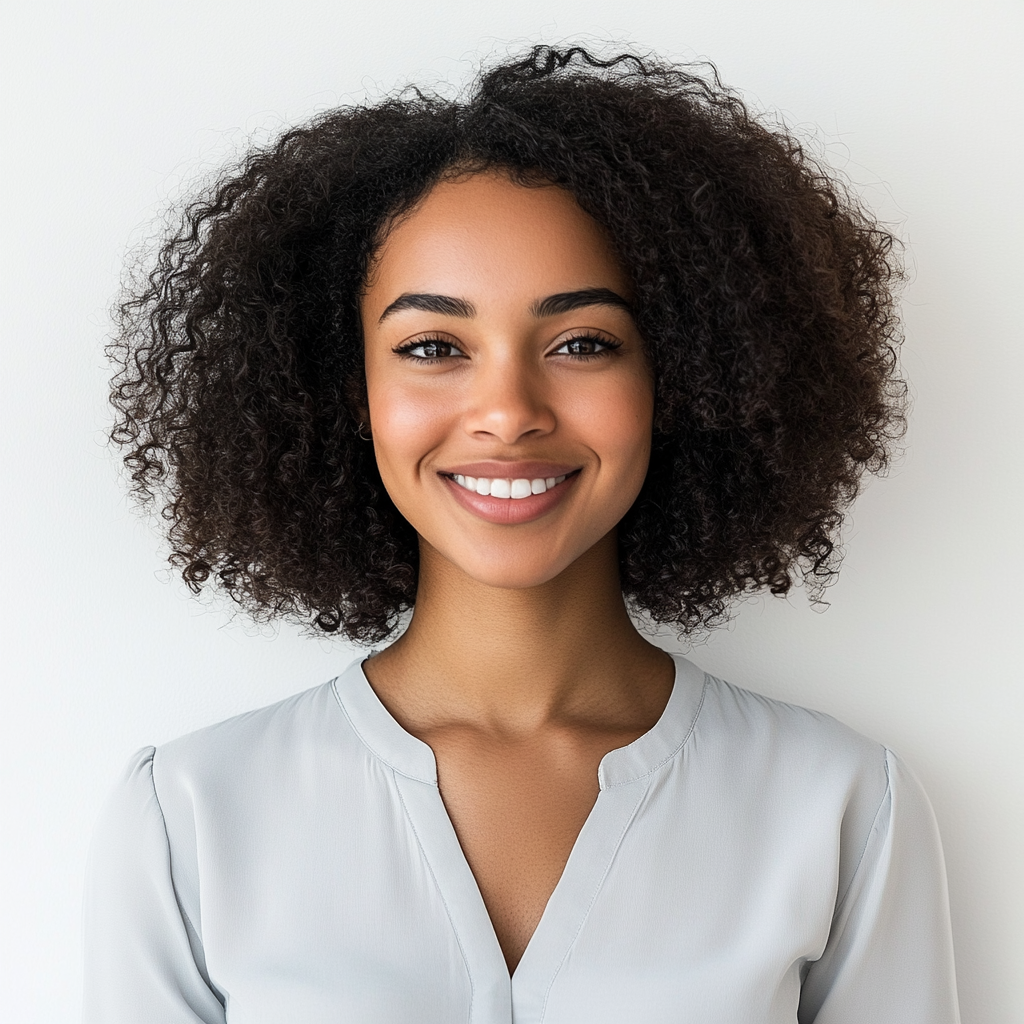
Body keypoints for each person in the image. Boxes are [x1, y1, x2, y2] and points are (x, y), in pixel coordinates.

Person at [85, 45, 960, 1023]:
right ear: (345, 390)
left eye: (582, 343)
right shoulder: (193, 814)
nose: (507, 411)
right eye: (432, 347)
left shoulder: (837, 804)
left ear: (683, 373)